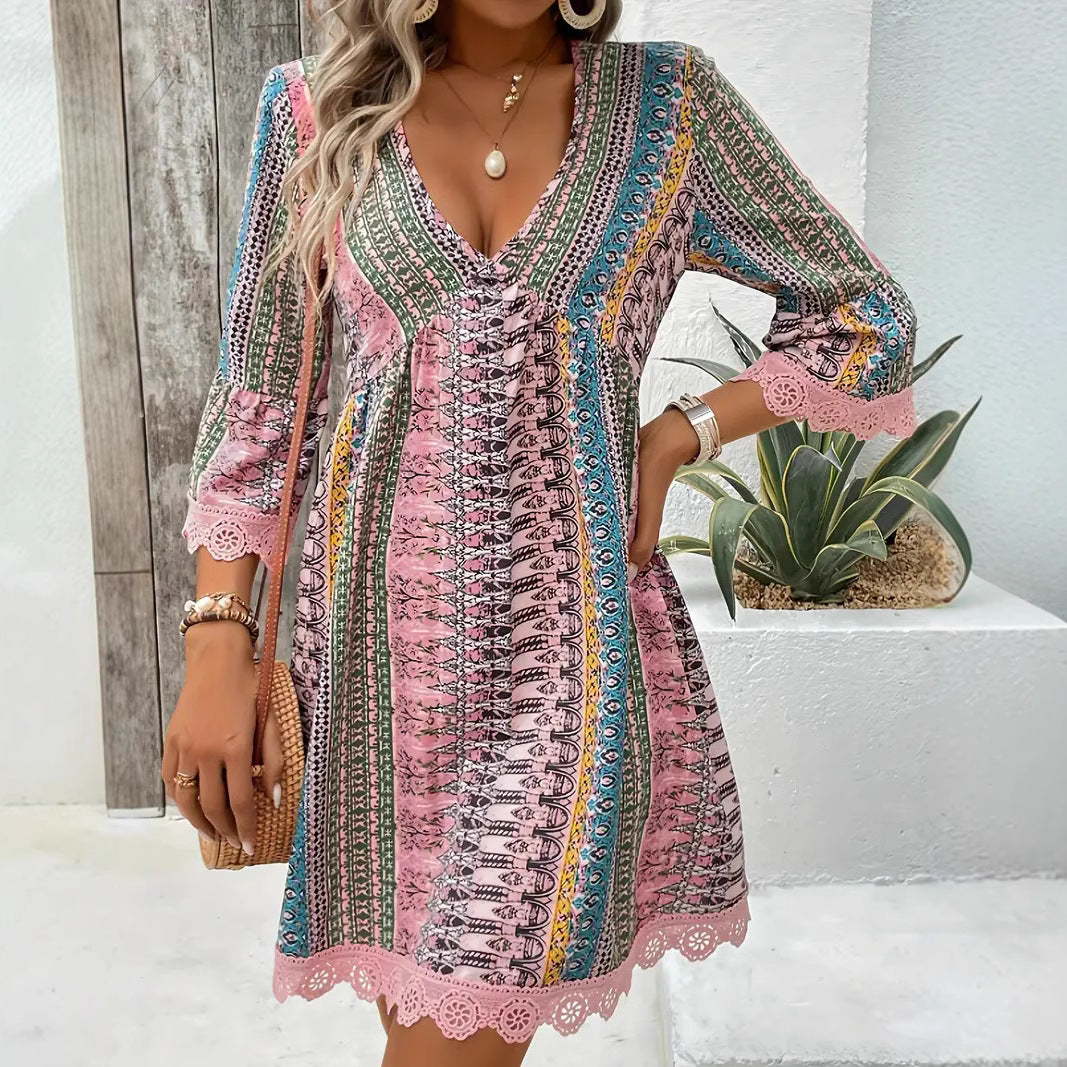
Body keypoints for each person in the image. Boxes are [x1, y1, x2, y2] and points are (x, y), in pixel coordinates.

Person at [162, 1, 918, 1064]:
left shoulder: (668, 108)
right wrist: (216, 639)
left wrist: (681, 431)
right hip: (378, 673)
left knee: (459, 1022)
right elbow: (260, 401)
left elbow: (865, 315)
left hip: (569, 657)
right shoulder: (314, 111)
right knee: (425, 1014)